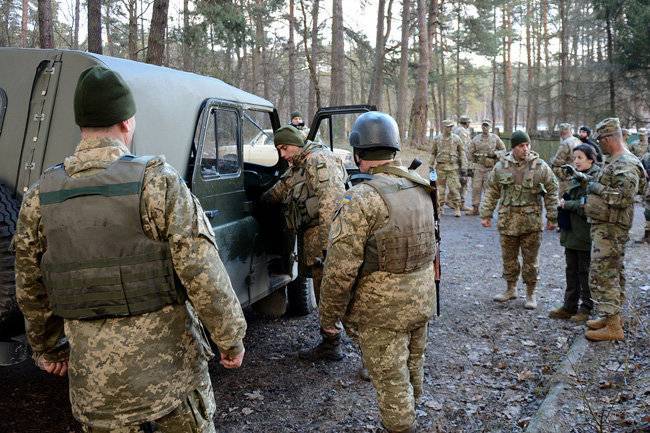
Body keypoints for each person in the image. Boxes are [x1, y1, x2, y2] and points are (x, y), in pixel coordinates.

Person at [13, 66, 247, 432]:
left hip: (96, 387)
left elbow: (30, 285)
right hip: (172, 380)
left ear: (82, 125)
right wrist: (230, 339)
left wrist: (46, 348)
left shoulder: (41, 195)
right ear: (126, 121)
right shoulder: (158, 182)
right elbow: (203, 272)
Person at [315, 111, 436, 433]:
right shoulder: (421, 187)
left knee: (391, 381)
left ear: (358, 154)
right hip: (422, 298)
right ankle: (411, 413)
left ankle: (402, 424)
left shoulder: (360, 199)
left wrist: (328, 316)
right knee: (413, 365)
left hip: (382, 311)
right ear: (394, 149)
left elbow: (340, 270)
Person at [261, 125, 347, 360]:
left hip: (324, 239)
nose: (282, 155)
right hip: (314, 240)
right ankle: (331, 342)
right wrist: (259, 202)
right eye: (279, 149)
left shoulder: (318, 161)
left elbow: (332, 203)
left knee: (333, 293)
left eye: (285, 148)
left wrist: (329, 247)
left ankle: (353, 348)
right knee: (323, 292)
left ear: (297, 144)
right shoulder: (299, 164)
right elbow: (281, 189)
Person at [583, 118, 646, 342]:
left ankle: (613, 327)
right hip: (605, 226)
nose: (598, 144)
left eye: (600, 140)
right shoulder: (614, 160)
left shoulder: (626, 164)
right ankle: (611, 317)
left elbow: (623, 197)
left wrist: (596, 187)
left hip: (612, 228)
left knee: (604, 272)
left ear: (609, 139)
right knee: (611, 270)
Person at [480, 131, 559, 309]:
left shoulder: (540, 166)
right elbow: (491, 190)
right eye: (521, 146)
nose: (525, 149)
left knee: (531, 260)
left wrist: (552, 217)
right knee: (509, 258)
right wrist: (485, 214)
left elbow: (552, 190)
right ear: (513, 148)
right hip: (508, 222)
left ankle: (531, 293)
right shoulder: (501, 167)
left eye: (527, 145)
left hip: (531, 223)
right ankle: (511, 289)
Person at [548, 145, 601, 323]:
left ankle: (586, 308)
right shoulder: (575, 177)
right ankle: (569, 306)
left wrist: (566, 204)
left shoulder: (595, 177)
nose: (576, 161)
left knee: (585, 272)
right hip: (572, 233)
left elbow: (588, 206)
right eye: (574, 158)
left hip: (585, 233)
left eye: (580, 158)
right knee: (571, 270)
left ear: (591, 159)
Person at [430, 119, 467, 217]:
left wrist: (464, 166)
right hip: (440, 168)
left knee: (454, 189)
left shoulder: (456, 139)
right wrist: (431, 164)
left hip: (453, 168)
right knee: (440, 190)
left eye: (451, 126)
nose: (450, 128)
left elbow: (462, 153)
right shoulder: (437, 139)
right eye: (448, 127)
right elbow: (433, 153)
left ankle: (457, 207)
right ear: (444, 127)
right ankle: (440, 208)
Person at [468, 119, 506, 215]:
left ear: (490, 127)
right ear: (481, 127)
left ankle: (488, 210)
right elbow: (470, 153)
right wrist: (470, 166)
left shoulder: (495, 138)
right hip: (478, 167)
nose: (485, 127)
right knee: (476, 188)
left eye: (487, 126)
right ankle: (475, 208)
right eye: (483, 126)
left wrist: (495, 154)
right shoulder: (476, 139)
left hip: (489, 168)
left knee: (488, 189)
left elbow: (503, 150)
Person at [551, 123, 582, 197]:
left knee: (562, 199)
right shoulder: (578, 141)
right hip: (577, 174)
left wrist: (552, 162)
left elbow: (557, 162)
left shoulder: (565, 143)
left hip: (567, 176)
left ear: (561, 133)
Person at [453, 115, 473, 213]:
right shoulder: (463, 132)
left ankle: (453, 201)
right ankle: (461, 204)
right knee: (464, 182)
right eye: (469, 122)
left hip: (455, 159)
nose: (470, 124)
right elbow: (464, 148)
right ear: (466, 123)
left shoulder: (455, 130)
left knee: (457, 181)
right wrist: (465, 163)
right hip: (462, 160)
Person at [638, 150, 650, 243]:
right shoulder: (646, 156)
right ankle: (647, 235)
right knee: (647, 212)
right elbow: (641, 168)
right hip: (648, 184)